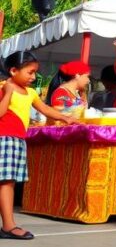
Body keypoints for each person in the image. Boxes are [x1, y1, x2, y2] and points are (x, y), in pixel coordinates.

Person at [0, 52, 77, 239]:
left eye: (35, 73)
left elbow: (45, 109)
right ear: (13, 71)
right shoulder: (3, 87)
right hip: (4, 138)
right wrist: (8, 93)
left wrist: (65, 117)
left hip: (17, 140)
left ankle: (8, 225)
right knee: (6, 182)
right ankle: (9, 226)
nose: (33, 77)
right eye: (30, 72)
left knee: (8, 182)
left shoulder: (31, 93)